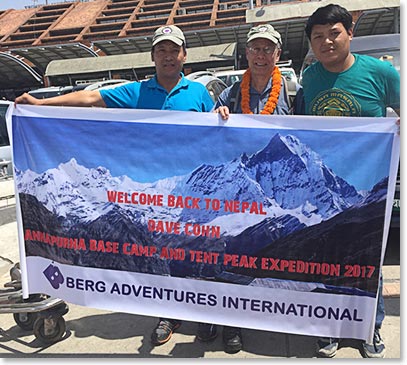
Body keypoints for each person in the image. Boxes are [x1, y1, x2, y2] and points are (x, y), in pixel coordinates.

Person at [15, 24, 217, 347]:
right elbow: (91, 97)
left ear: (184, 55)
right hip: (153, 193)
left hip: (190, 192)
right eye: (161, 50)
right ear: (153, 56)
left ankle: (208, 314)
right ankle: (169, 313)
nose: (168, 56)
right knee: (165, 257)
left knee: (196, 255)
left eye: (173, 50)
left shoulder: (199, 94)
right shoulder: (137, 92)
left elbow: (222, 134)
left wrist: (223, 115)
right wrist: (41, 106)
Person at [302, 3, 400, 358]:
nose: (327, 42)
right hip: (326, 188)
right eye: (318, 37)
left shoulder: (381, 73)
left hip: (371, 184)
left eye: (334, 34)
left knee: (367, 259)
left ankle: (368, 328)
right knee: (325, 258)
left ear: (349, 34)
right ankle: (328, 325)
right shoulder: (311, 77)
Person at [213, 23, 302, 353]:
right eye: (255, 48)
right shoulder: (231, 93)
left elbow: (313, 136)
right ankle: (232, 326)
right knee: (234, 258)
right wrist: (217, 115)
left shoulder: (293, 93)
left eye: (268, 49)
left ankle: (273, 314)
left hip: (281, 190)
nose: (261, 55)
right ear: (246, 53)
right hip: (241, 192)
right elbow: (211, 133)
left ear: (278, 54)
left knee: (275, 259)